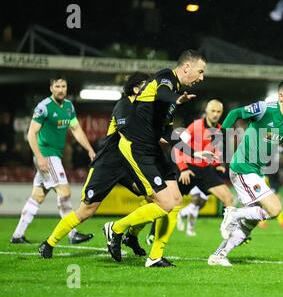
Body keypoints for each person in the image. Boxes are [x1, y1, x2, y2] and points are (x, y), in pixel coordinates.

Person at [102, 50, 210, 268]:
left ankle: (155, 257)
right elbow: (162, 93)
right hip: (137, 148)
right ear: (186, 67)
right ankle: (115, 228)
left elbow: (168, 133)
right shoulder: (165, 78)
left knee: (176, 201)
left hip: (153, 150)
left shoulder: (175, 93)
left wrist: (193, 153)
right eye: (200, 71)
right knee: (165, 203)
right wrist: (176, 99)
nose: (201, 77)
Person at [38, 72, 152, 258]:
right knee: (86, 211)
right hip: (107, 165)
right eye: (147, 85)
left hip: (128, 165)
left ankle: (130, 236)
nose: (152, 89)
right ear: (136, 88)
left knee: (154, 197)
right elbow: (128, 137)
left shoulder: (143, 109)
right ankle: (49, 243)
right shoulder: (124, 106)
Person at [208, 78, 283, 266]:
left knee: (250, 224)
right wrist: (221, 136)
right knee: (274, 209)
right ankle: (233, 214)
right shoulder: (264, 108)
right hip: (242, 167)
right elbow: (235, 113)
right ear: (281, 97)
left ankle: (218, 255)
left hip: (256, 171)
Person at [11, 76, 95, 244]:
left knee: (37, 197)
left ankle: (17, 235)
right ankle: (72, 233)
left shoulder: (69, 107)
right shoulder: (44, 107)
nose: (61, 89)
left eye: (63, 86)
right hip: (46, 155)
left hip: (54, 156)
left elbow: (77, 129)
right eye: (57, 86)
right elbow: (31, 134)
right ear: (51, 88)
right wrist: (40, 157)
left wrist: (90, 149)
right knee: (64, 192)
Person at [171, 99, 234, 237]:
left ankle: (230, 232)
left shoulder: (219, 130)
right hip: (188, 169)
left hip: (205, 171)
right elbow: (178, 146)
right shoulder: (194, 126)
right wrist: (183, 168)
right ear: (206, 111)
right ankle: (151, 234)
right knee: (168, 204)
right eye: (213, 111)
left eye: (218, 112)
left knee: (228, 198)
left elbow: (214, 150)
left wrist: (217, 165)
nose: (215, 114)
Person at [258, 145, 283, 228]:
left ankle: (280, 221)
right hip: (264, 174)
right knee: (265, 198)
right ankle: (263, 221)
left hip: (275, 176)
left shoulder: (281, 148)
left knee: (276, 198)